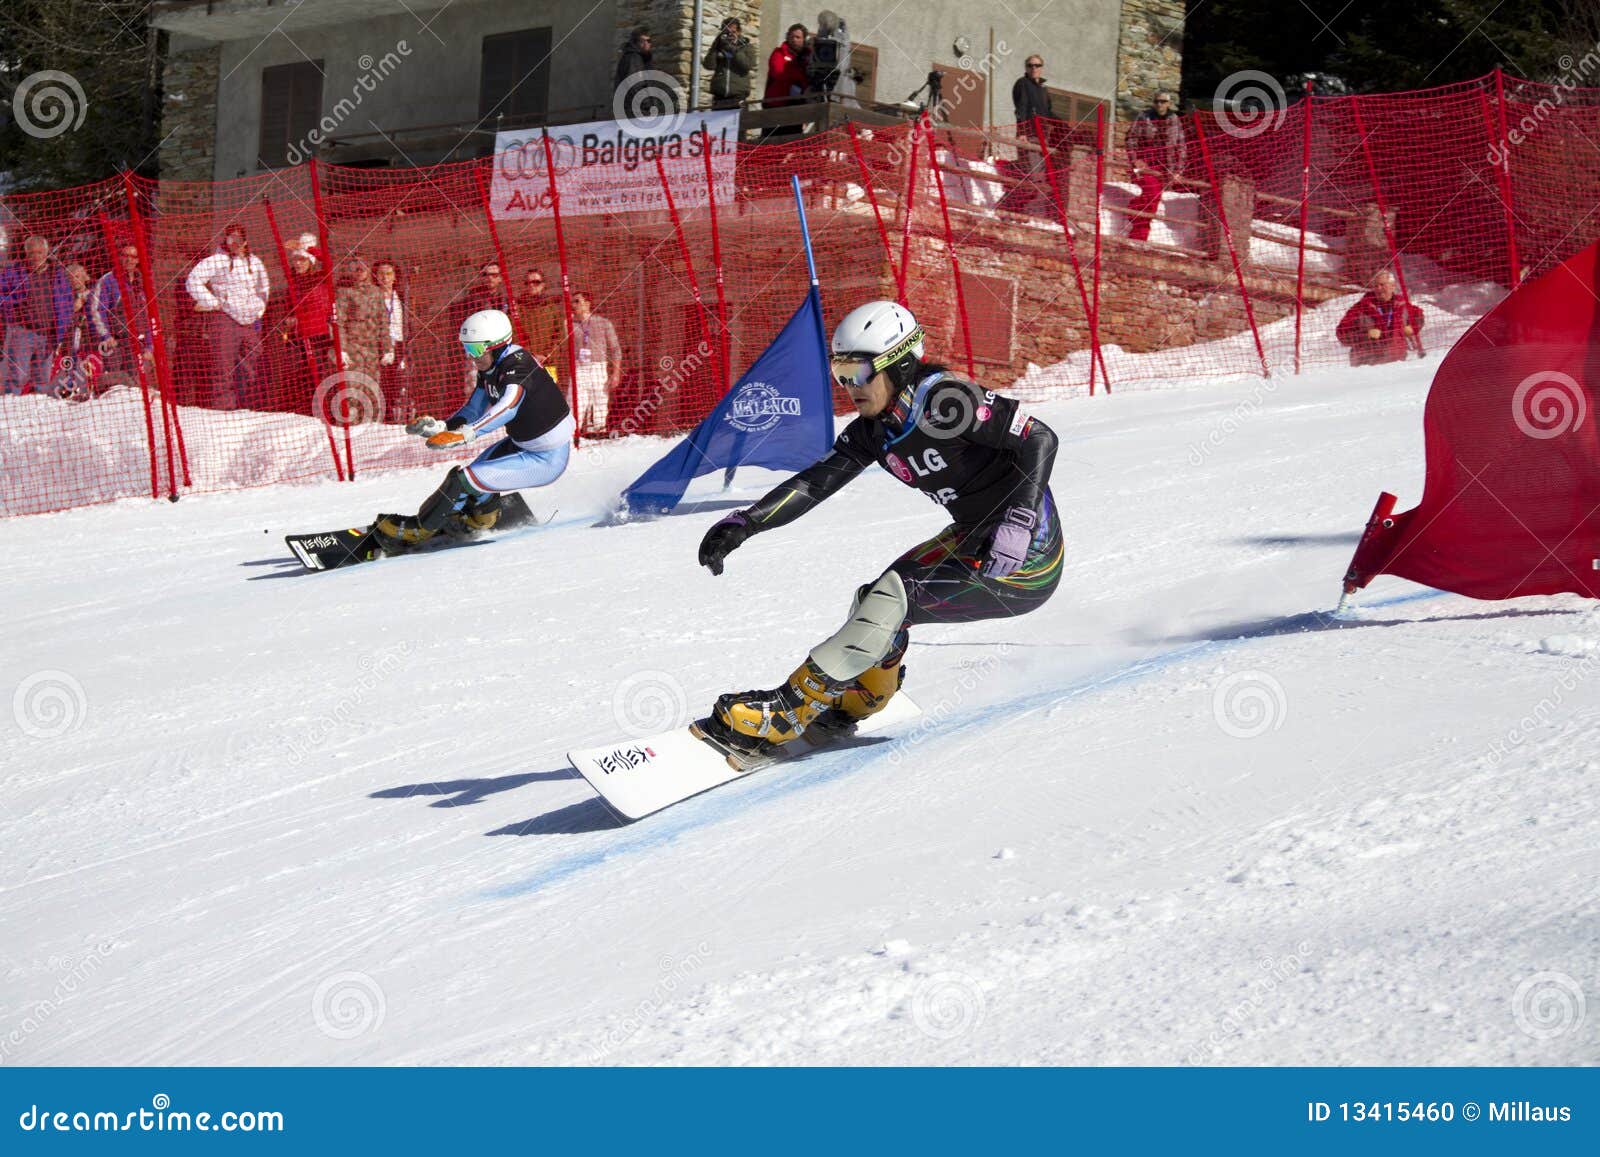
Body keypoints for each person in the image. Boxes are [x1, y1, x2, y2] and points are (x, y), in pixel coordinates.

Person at [695, 300, 1063, 756]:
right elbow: (814, 484)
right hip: (977, 536)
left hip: (1026, 558)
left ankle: (788, 708)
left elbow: (1040, 437)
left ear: (900, 363)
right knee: (874, 601)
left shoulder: (946, 401)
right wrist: (745, 523)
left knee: (894, 595)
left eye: (858, 373)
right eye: (840, 374)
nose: (848, 387)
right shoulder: (874, 431)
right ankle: (863, 696)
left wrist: (1021, 519)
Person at [372, 309, 573, 552]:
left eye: (476, 350)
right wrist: (441, 427)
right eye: (467, 349)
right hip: (523, 446)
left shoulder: (518, 367)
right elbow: (473, 409)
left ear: (497, 346)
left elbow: (508, 406)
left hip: (546, 459)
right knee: (465, 477)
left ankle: (418, 530)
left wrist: (467, 434)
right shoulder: (490, 368)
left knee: (464, 481)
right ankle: (482, 518)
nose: (471, 357)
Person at [185, 221, 270, 408]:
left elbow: (263, 287)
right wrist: (212, 302)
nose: (235, 243)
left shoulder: (254, 262)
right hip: (224, 318)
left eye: (239, 238)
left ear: (245, 241)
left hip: (247, 321)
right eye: (231, 238)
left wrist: (259, 307)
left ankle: (250, 404)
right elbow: (193, 280)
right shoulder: (218, 260)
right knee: (222, 365)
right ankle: (224, 408)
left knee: (255, 358)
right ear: (226, 239)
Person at [0, 235, 71, 395]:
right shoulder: (14, 272)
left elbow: (67, 301)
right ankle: (11, 409)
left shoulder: (57, 274)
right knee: (18, 376)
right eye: (31, 253)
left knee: (43, 378)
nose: (35, 257)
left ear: (46, 252)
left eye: (39, 252)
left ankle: (39, 411)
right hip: (22, 332)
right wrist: (14, 300)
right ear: (26, 253)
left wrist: (61, 328)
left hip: (49, 334)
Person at [332, 257, 392, 419]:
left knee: (372, 390)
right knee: (352, 389)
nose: (359, 272)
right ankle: (350, 427)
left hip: (372, 350)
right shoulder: (344, 292)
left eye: (363, 268)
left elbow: (383, 322)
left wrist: (387, 348)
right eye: (355, 268)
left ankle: (372, 427)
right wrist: (341, 349)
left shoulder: (376, 292)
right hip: (353, 348)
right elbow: (339, 322)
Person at [277, 243, 334, 414]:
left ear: (310, 262)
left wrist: (306, 247)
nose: (298, 264)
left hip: (318, 335)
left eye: (302, 260)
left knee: (314, 374)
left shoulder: (320, 277)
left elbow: (328, 262)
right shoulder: (293, 282)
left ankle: (314, 411)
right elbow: (288, 307)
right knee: (297, 375)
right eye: (295, 260)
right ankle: (296, 410)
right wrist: (288, 319)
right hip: (298, 336)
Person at [89, 242, 155, 388]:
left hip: (137, 345)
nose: (129, 260)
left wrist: (150, 346)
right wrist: (106, 336)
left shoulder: (142, 284)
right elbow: (97, 310)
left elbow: (148, 317)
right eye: (125, 255)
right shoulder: (108, 281)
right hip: (115, 344)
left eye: (133, 256)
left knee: (135, 386)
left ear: (138, 260)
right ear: (119, 257)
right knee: (114, 385)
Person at [1124, 92, 1186, 242]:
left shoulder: (1175, 120)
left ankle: (1134, 218)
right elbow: (1131, 138)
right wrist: (1135, 160)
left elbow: (1181, 147)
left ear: (1169, 104)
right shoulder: (1144, 117)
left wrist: (1177, 171)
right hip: (1145, 166)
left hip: (1164, 169)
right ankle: (1138, 235)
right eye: (1157, 101)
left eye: (1163, 102)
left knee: (1153, 199)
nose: (1159, 104)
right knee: (1151, 193)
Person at [1335, 270, 1423, 366]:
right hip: (1366, 366)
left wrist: (1413, 327)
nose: (1379, 288)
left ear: (1392, 286)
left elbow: (1419, 317)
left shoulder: (1402, 305)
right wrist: (1365, 335)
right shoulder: (1361, 308)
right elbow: (1341, 334)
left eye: (1382, 285)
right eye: (1376, 286)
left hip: (1397, 363)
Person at [570, 290, 622, 434]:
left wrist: (616, 373)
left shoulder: (603, 323)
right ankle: (574, 437)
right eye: (572, 302)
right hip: (579, 368)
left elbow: (615, 349)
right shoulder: (570, 324)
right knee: (575, 405)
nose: (573, 305)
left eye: (577, 301)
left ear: (587, 303)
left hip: (598, 367)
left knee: (599, 404)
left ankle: (599, 434)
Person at [374, 259, 413, 423]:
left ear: (395, 277)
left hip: (398, 343)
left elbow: (408, 321)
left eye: (388, 273)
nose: (385, 277)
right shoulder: (373, 297)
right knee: (381, 382)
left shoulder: (401, 297)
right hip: (380, 345)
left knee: (397, 382)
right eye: (381, 274)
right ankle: (384, 416)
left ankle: (397, 417)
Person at [516, 267, 565, 383]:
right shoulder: (517, 309)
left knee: (548, 398)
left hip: (548, 364)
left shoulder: (553, 308)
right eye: (528, 283)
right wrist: (531, 356)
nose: (532, 285)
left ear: (543, 285)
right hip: (525, 364)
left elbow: (559, 336)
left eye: (536, 282)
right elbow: (515, 335)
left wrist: (547, 355)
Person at [703, 17, 755, 109]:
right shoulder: (720, 46)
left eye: (733, 32)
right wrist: (715, 47)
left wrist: (732, 49)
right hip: (719, 96)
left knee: (737, 122)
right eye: (726, 33)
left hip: (738, 95)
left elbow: (747, 65)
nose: (730, 35)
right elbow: (709, 65)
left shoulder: (746, 47)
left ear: (739, 32)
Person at [765, 24, 810, 109]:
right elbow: (778, 73)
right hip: (777, 103)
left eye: (798, 37)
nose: (794, 39)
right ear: (787, 37)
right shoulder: (779, 53)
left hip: (800, 104)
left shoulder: (809, 56)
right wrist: (800, 76)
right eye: (791, 36)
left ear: (804, 40)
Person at [1012, 54, 1052, 128]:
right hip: (1029, 133)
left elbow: (1048, 112)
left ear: (1041, 68)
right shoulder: (1023, 83)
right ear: (1026, 68)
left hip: (1043, 133)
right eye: (1030, 65)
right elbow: (1021, 108)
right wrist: (1022, 132)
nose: (1034, 68)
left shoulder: (1043, 88)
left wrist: (1064, 125)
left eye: (1037, 65)